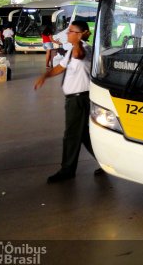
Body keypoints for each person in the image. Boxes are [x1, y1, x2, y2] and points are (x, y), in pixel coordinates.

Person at [33, 20, 104, 183]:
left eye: (71, 31)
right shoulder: (73, 49)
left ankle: (67, 170)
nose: (67, 33)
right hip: (74, 98)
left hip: (79, 98)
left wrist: (77, 41)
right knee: (84, 134)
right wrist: (45, 75)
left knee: (72, 135)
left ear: (81, 33)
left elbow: (79, 55)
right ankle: (106, 162)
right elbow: (62, 67)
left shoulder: (84, 48)